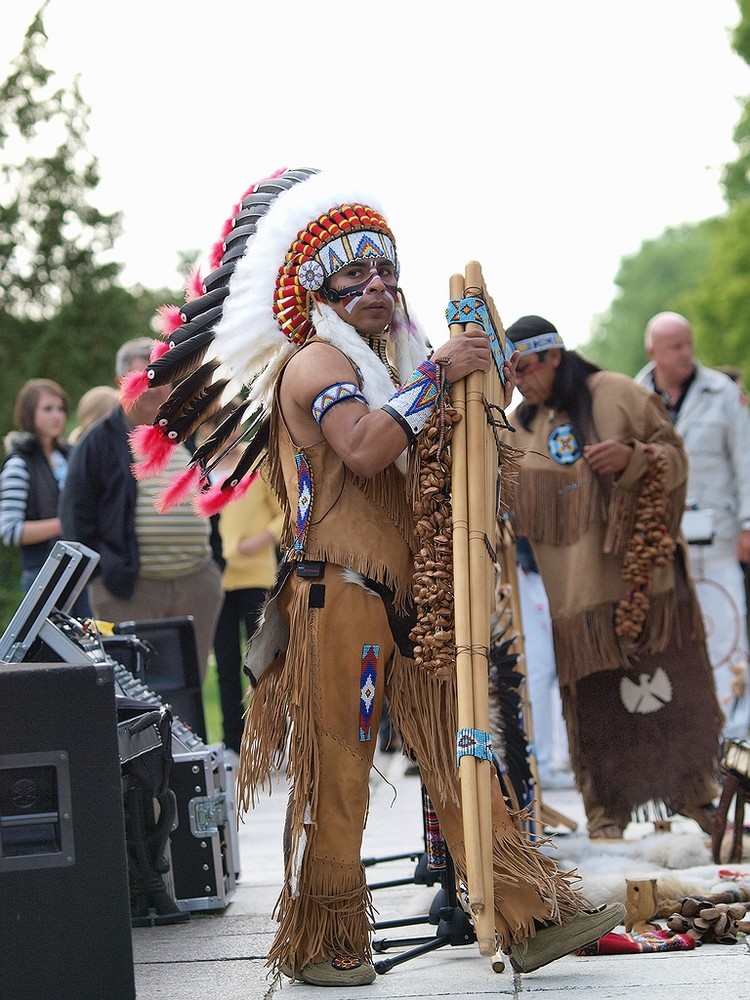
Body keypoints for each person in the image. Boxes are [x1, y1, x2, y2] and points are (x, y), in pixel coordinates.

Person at [120, 169, 623, 986]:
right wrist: (435, 381)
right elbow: (360, 447)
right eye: (356, 275)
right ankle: (324, 942)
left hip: (408, 599)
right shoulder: (316, 364)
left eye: (387, 272)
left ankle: (527, 915)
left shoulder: (391, 368)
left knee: (466, 755)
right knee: (341, 770)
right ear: (318, 289)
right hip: (339, 599)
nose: (379, 288)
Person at [503, 314, 722, 841]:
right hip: (577, 604)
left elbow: (675, 457)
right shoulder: (517, 429)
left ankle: (697, 799)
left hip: (646, 588)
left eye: (525, 367)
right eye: (510, 373)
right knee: (600, 713)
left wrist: (635, 458)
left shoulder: (617, 394)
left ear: (554, 355)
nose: (519, 381)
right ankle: (606, 813)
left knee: (674, 695)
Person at [60, 337, 223, 681]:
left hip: (196, 583)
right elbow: (76, 516)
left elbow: (209, 503)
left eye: (162, 378)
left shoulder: (187, 432)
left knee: (189, 688)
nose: (154, 387)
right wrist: (103, 576)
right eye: (144, 378)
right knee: (138, 691)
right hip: (130, 589)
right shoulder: (98, 442)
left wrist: (215, 568)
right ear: (123, 384)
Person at [635, 312, 750, 741]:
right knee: (671, 636)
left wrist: (747, 524)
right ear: (654, 352)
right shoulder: (634, 395)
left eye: (688, 344)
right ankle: (688, 733)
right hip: (661, 544)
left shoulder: (724, 394)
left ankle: (734, 734)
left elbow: (745, 461)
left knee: (729, 630)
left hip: (718, 539)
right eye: (675, 347)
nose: (686, 354)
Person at [200, 403, 284, 763]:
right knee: (226, 661)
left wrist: (264, 539)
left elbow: (285, 512)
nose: (228, 433)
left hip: (256, 576)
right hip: (216, 578)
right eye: (219, 426)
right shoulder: (200, 471)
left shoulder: (257, 464)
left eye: (233, 425)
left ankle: (273, 738)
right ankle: (234, 743)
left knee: (262, 661)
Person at [0, 379, 89, 616]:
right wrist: (64, 523)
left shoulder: (68, 457)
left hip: (80, 572)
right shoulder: (19, 464)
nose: (57, 416)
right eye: (48, 409)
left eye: (61, 409)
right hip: (42, 576)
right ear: (29, 413)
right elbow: (10, 531)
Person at [515, 537, 572, 789]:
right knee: (537, 671)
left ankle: (548, 758)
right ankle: (540, 759)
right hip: (522, 562)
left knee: (543, 671)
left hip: (539, 562)